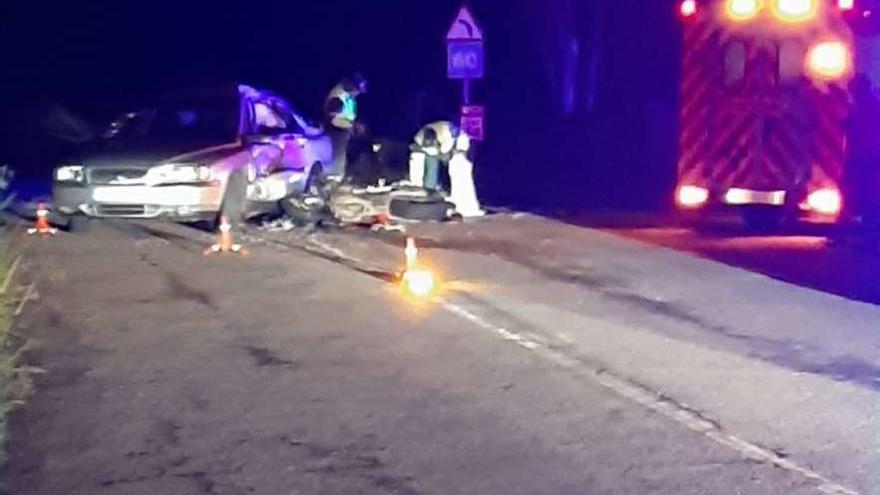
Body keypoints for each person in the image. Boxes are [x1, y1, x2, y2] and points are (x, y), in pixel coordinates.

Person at [409, 121, 484, 217]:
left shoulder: (450, 135)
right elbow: (416, 164)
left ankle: (466, 205)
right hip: (435, 150)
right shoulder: (418, 139)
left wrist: (455, 153)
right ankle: (429, 194)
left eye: (433, 144)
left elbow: (456, 149)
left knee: (459, 170)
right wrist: (415, 186)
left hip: (457, 147)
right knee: (429, 171)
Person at [838, 75, 880, 246]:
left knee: (863, 197)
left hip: (864, 161)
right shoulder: (872, 104)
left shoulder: (867, 107)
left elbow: (859, 134)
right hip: (868, 160)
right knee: (866, 197)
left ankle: (867, 234)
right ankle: (869, 234)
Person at [324, 73, 367, 179]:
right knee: (338, 157)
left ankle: (346, 176)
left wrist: (354, 125)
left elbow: (349, 114)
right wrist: (352, 125)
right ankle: (333, 178)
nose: (357, 93)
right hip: (336, 132)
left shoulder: (349, 97)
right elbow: (333, 118)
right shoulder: (338, 96)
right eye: (357, 90)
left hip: (345, 130)